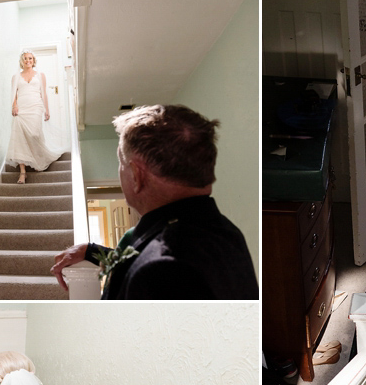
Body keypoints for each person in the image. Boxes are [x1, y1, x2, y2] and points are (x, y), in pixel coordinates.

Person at [50, 104, 258, 300]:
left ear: (137, 175)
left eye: (122, 164)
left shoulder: (162, 270)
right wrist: (90, 251)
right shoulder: (224, 232)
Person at [6, 51, 63, 184]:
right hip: (21, 108)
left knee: (34, 134)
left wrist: (46, 110)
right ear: (22, 61)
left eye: (30, 58)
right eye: (25, 58)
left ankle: (38, 158)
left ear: (33, 60)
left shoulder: (40, 75)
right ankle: (22, 172)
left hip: (35, 107)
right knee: (19, 137)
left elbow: (44, 94)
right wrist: (14, 106)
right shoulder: (15, 77)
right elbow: (14, 94)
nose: (28, 60)